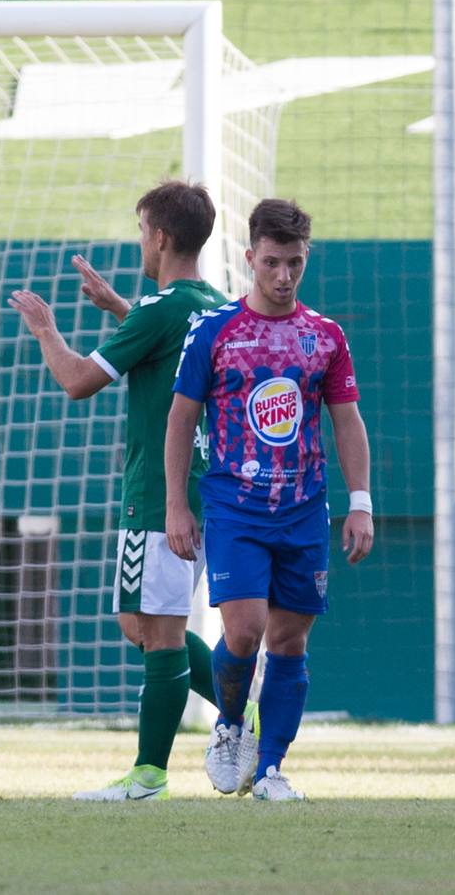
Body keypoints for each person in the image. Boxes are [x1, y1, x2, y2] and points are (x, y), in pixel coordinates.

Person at [8, 181, 228, 801]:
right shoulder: (210, 305)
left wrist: (46, 328)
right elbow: (166, 340)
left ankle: (150, 773)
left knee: (155, 632)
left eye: (141, 232)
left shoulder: (158, 311)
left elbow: (78, 380)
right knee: (140, 622)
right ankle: (242, 713)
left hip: (160, 493)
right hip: (203, 489)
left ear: (159, 237)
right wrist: (117, 307)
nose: (139, 243)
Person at [165, 198, 374, 801]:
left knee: (290, 640)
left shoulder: (325, 338)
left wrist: (360, 500)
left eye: (296, 264)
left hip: (305, 509)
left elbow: (347, 421)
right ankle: (230, 726)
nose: (283, 277)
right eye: (273, 263)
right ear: (250, 258)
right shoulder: (214, 331)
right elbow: (181, 420)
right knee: (245, 629)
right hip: (234, 506)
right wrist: (178, 505)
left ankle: (272, 768)